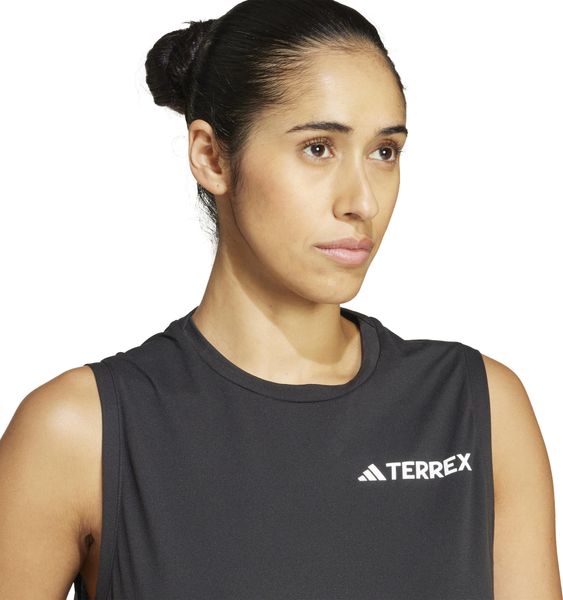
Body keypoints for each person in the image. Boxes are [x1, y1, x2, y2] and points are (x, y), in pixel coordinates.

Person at [0, 0, 561, 598]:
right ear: (211, 156)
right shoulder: (79, 432)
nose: (363, 202)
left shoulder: (478, 406)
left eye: (384, 152)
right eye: (318, 147)